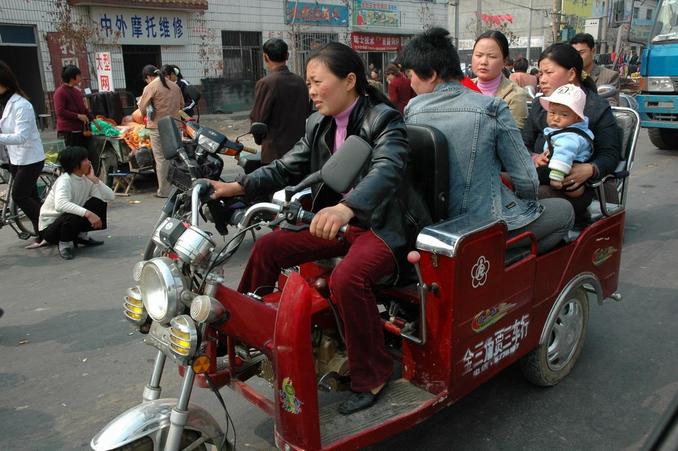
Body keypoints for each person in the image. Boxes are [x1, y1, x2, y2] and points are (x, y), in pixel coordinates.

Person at [209, 42, 429, 415]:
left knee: (347, 279)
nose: (310, 90)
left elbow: (387, 170)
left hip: (383, 227)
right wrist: (235, 187)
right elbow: (285, 167)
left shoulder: (385, 120)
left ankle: (372, 373)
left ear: (349, 81)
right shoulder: (319, 123)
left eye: (316, 81)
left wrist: (347, 207)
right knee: (269, 247)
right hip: (337, 221)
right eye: (308, 82)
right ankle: (244, 332)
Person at [402, 28, 574, 254]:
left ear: (432, 74)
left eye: (411, 76)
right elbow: (526, 177)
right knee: (565, 211)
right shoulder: (491, 108)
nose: (411, 84)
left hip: (432, 226)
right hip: (483, 228)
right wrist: (525, 206)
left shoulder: (411, 111)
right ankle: (503, 263)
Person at [523, 43, 622, 220]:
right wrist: (534, 158)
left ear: (571, 74)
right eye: (540, 73)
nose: (542, 79)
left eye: (549, 73)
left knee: (535, 194)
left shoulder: (596, 108)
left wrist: (590, 169)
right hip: (537, 175)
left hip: (576, 188)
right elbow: (524, 144)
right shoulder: (540, 105)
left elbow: (610, 154)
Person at [38, 146, 114, 260]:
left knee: (99, 201)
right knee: (72, 214)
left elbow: (110, 196)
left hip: (68, 221)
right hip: (51, 228)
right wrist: (89, 214)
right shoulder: (64, 180)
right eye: (85, 160)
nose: (89, 162)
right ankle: (65, 244)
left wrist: (94, 179)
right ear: (75, 164)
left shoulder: (86, 179)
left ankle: (81, 236)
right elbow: (60, 205)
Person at [0, 60, 46, 241]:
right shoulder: (5, 102)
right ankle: (42, 233)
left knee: (19, 196)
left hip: (30, 158)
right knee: (32, 197)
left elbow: (21, 137)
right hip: (15, 157)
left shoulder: (21, 105)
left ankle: (47, 228)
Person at [249, 38, 310, 164]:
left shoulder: (266, 83)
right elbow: (307, 113)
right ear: (287, 55)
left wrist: (259, 140)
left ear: (265, 57)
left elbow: (258, 120)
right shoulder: (301, 82)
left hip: (274, 154)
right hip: (300, 151)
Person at [539, 84, 594, 198]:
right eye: (552, 113)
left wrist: (556, 178)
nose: (556, 118)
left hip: (567, 177)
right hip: (565, 173)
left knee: (531, 175)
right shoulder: (564, 131)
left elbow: (563, 154)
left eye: (564, 114)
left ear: (577, 118)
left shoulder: (570, 136)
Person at [138, 64, 184, 198]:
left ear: (148, 77)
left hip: (158, 127)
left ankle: (164, 191)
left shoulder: (150, 87)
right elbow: (182, 105)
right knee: (175, 157)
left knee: (162, 159)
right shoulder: (175, 86)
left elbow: (141, 108)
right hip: (175, 125)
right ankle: (178, 187)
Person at [472, 30, 528, 129]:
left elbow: (511, 137)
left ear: (504, 61)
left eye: (492, 56)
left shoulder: (515, 95)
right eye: (479, 55)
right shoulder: (462, 88)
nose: (483, 62)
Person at [570, 33, 620, 106]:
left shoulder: (610, 76)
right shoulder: (567, 75)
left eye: (581, 53)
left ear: (593, 51)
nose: (577, 57)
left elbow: (611, 105)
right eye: (574, 53)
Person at [54, 65, 91, 149]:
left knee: (82, 157)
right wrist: (78, 116)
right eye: (79, 76)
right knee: (72, 158)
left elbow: (83, 109)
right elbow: (60, 111)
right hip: (67, 132)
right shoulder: (60, 92)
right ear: (72, 78)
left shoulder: (77, 91)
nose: (80, 78)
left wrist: (94, 120)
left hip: (80, 131)